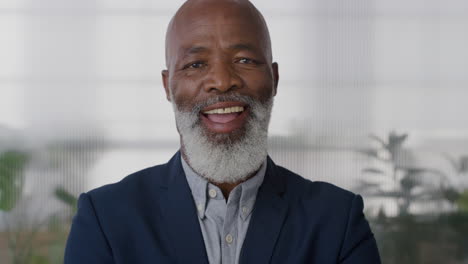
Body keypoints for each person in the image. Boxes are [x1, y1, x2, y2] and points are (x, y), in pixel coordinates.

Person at [64, 0, 381, 263]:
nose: (222, 80)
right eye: (196, 64)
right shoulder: (105, 219)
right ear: (167, 86)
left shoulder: (336, 220)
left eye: (244, 59)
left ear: (274, 79)